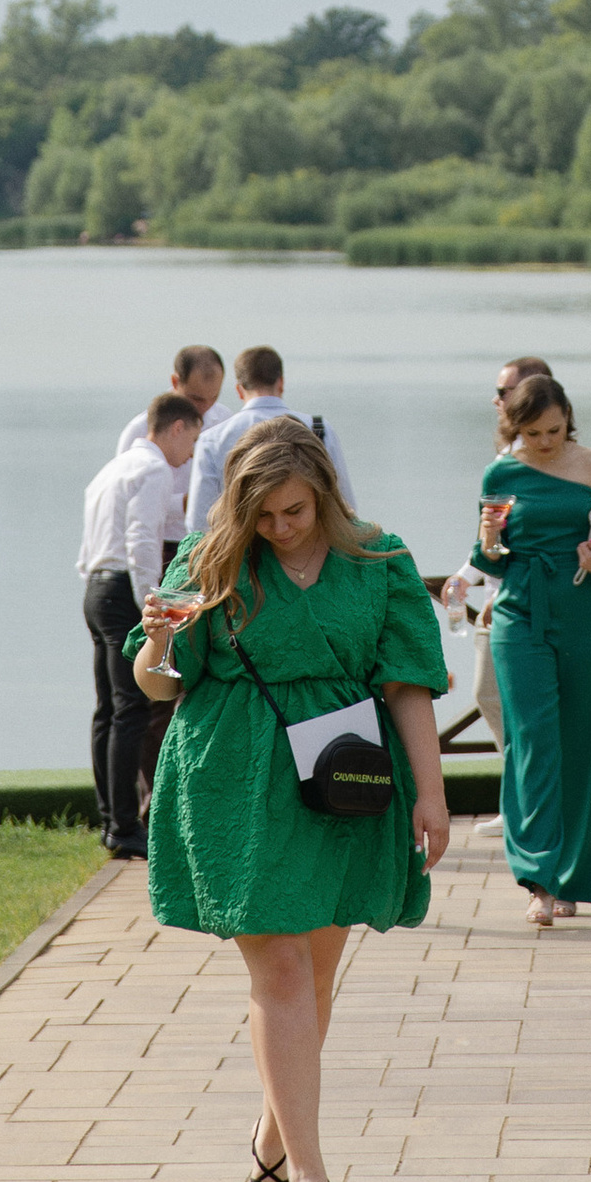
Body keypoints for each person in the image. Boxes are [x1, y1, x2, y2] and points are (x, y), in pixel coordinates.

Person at [132, 419, 450, 1182]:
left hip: (343, 779)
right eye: (264, 515)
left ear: (324, 493)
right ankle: (313, 1181)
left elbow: (410, 683)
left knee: (314, 972)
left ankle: (270, 1147)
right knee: (278, 969)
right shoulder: (210, 559)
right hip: (234, 783)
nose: (280, 528)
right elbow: (157, 681)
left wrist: (433, 795)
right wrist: (161, 637)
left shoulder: (379, 560)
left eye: (295, 512)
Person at [473, 371, 591, 930]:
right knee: (532, 742)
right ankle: (538, 879)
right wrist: (489, 543)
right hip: (520, 614)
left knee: (584, 743)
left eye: (555, 430)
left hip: (585, 611)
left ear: (568, 419)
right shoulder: (500, 471)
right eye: (534, 433)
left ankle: (573, 879)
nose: (546, 442)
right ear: (516, 428)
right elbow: (491, 557)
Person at [78, 390, 203, 854]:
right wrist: (155, 605)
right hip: (126, 590)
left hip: (95, 586)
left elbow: (91, 544)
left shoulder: (109, 470)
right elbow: (143, 540)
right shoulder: (152, 470)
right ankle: (126, 827)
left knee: (107, 710)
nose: (189, 454)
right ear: (177, 427)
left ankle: (112, 820)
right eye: (191, 440)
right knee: (130, 710)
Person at [184, 345, 353, 533]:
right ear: (281, 382)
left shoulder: (212, 439)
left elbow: (199, 522)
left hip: (242, 553)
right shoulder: (319, 428)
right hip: (309, 551)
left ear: (239, 390)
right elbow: (345, 505)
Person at [117, 344, 227, 454]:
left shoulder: (226, 421)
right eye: (196, 399)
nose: (206, 407)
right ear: (175, 382)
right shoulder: (139, 431)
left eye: (214, 397)